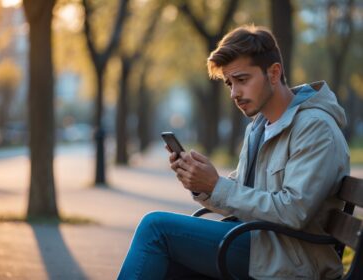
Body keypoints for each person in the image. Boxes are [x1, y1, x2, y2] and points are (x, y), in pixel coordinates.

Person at [117, 24, 350, 280]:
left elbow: (293, 211)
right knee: (164, 258)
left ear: (273, 73)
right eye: (229, 83)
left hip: (290, 261)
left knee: (156, 228)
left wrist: (216, 186)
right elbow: (239, 193)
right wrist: (201, 184)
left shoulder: (315, 127)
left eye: (242, 80)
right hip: (256, 242)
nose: (234, 93)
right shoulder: (259, 128)